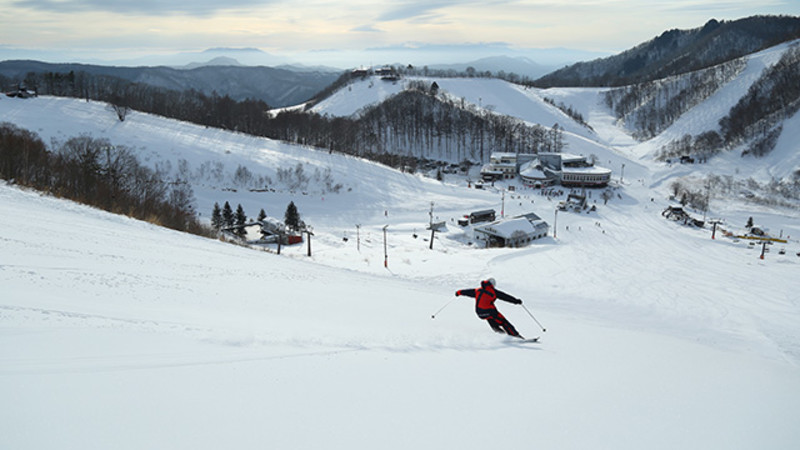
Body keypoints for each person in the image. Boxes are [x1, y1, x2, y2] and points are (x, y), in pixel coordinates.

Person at [455, 278, 523, 338]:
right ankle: (515, 335)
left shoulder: (477, 290)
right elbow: (505, 297)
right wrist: (516, 301)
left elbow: (466, 292)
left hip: (480, 313)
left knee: (491, 319)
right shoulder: (494, 291)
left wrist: (458, 292)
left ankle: (502, 336)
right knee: (503, 321)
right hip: (490, 311)